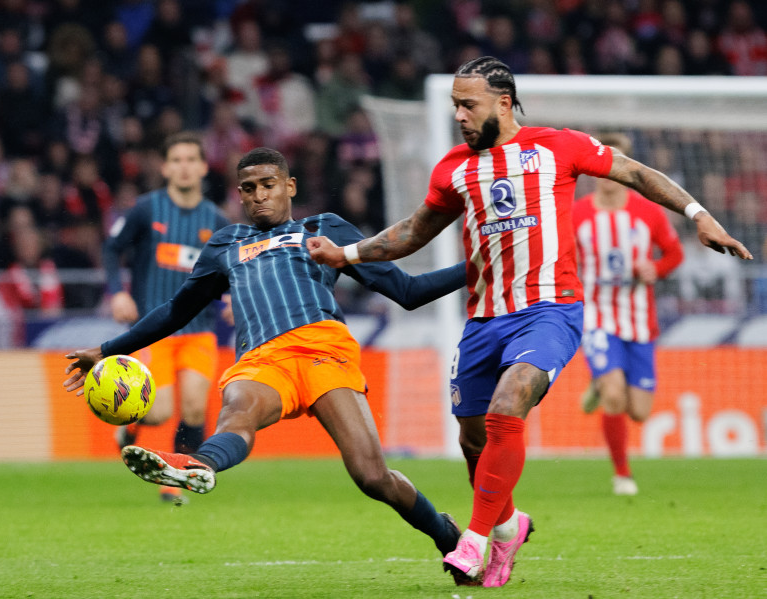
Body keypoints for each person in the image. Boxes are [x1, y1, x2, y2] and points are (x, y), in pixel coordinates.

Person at [307, 56, 752, 588]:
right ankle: (508, 526)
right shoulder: (454, 167)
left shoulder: (556, 146)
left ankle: (472, 539)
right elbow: (414, 230)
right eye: (454, 105)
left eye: (467, 105)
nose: (459, 115)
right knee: (474, 441)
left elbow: (634, 171)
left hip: (550, 310)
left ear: (502, 102)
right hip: (484, 318)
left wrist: (699, 216)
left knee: (509, 400)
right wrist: (348, 254)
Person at [65, 147, 467, 573]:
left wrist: (478, 266)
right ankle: (197, 465)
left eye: (268, 185)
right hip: (262, 359)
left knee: (372, 477)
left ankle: (447, 536)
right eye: (249, 189)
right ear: (240, 195)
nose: (259, 196)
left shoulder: (324, 228)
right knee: (237, 410)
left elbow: (409, 291)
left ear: (290, 186)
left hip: (322, 352)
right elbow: (176, 310)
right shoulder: (227, 243)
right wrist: (108, 349)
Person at [103, 132, 229, 505]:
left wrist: (233, 297)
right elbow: (112, 249)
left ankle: (173, 482)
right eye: (177, 160)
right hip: (154, 328)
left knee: (193, 407)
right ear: (165, 167)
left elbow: (231, 269)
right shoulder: (146, 209)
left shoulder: (217, 221)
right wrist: (118, 291)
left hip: (200, 329)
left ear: (204, 167)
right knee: (158, 412)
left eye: (191, 159)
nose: (184, 167)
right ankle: (130, 428)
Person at [573, 132, 685, 496]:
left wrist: (656, 269)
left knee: (639, 412)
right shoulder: (577, 214)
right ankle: (622, 474)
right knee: (615, 397)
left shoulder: (648, 211)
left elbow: (673, 254)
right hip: (597, 316)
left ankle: (599, 382)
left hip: (639, 320)